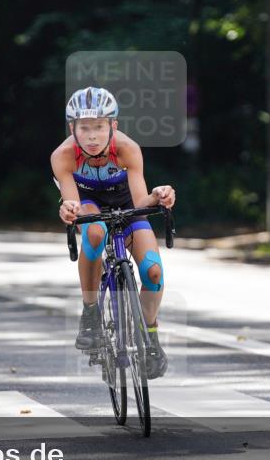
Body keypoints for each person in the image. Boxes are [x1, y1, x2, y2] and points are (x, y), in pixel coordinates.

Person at [50, 86, 176, 379]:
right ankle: (91, 312)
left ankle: (151, 335)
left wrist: (159, 196)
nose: (92, 135)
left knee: (154, 272)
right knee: (94, 232)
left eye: (99, 127)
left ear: (113, 126)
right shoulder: (63, 156)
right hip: (90, 206)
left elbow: (141, 202)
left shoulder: (128, 149)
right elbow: (75, 206)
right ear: (73, 128)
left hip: (128, 206)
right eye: (84, 128)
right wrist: (68, 210)